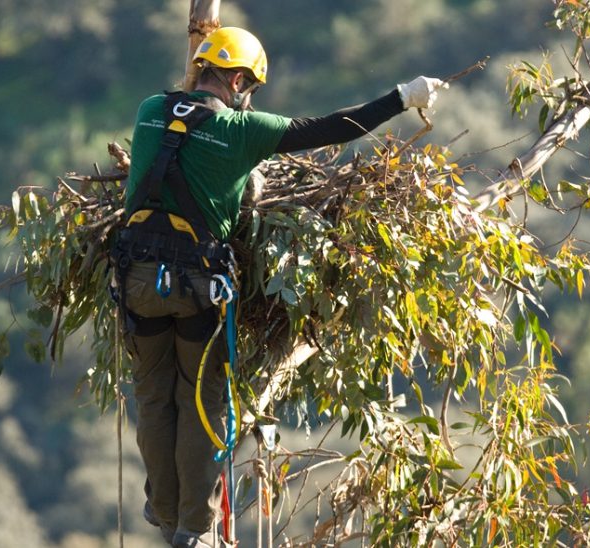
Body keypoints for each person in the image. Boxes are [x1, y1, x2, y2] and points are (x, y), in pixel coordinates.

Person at [115, 26, 446, 548]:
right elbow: (334, 128)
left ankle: (161, 506)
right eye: (249, 88)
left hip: (135, 279)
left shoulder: (150, 110)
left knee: (155, 398)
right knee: (201, 404)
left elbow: (180, 148)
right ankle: (195, 531)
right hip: (196, 286)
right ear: (239, 79)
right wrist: (403, 97)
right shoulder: (242, 130)